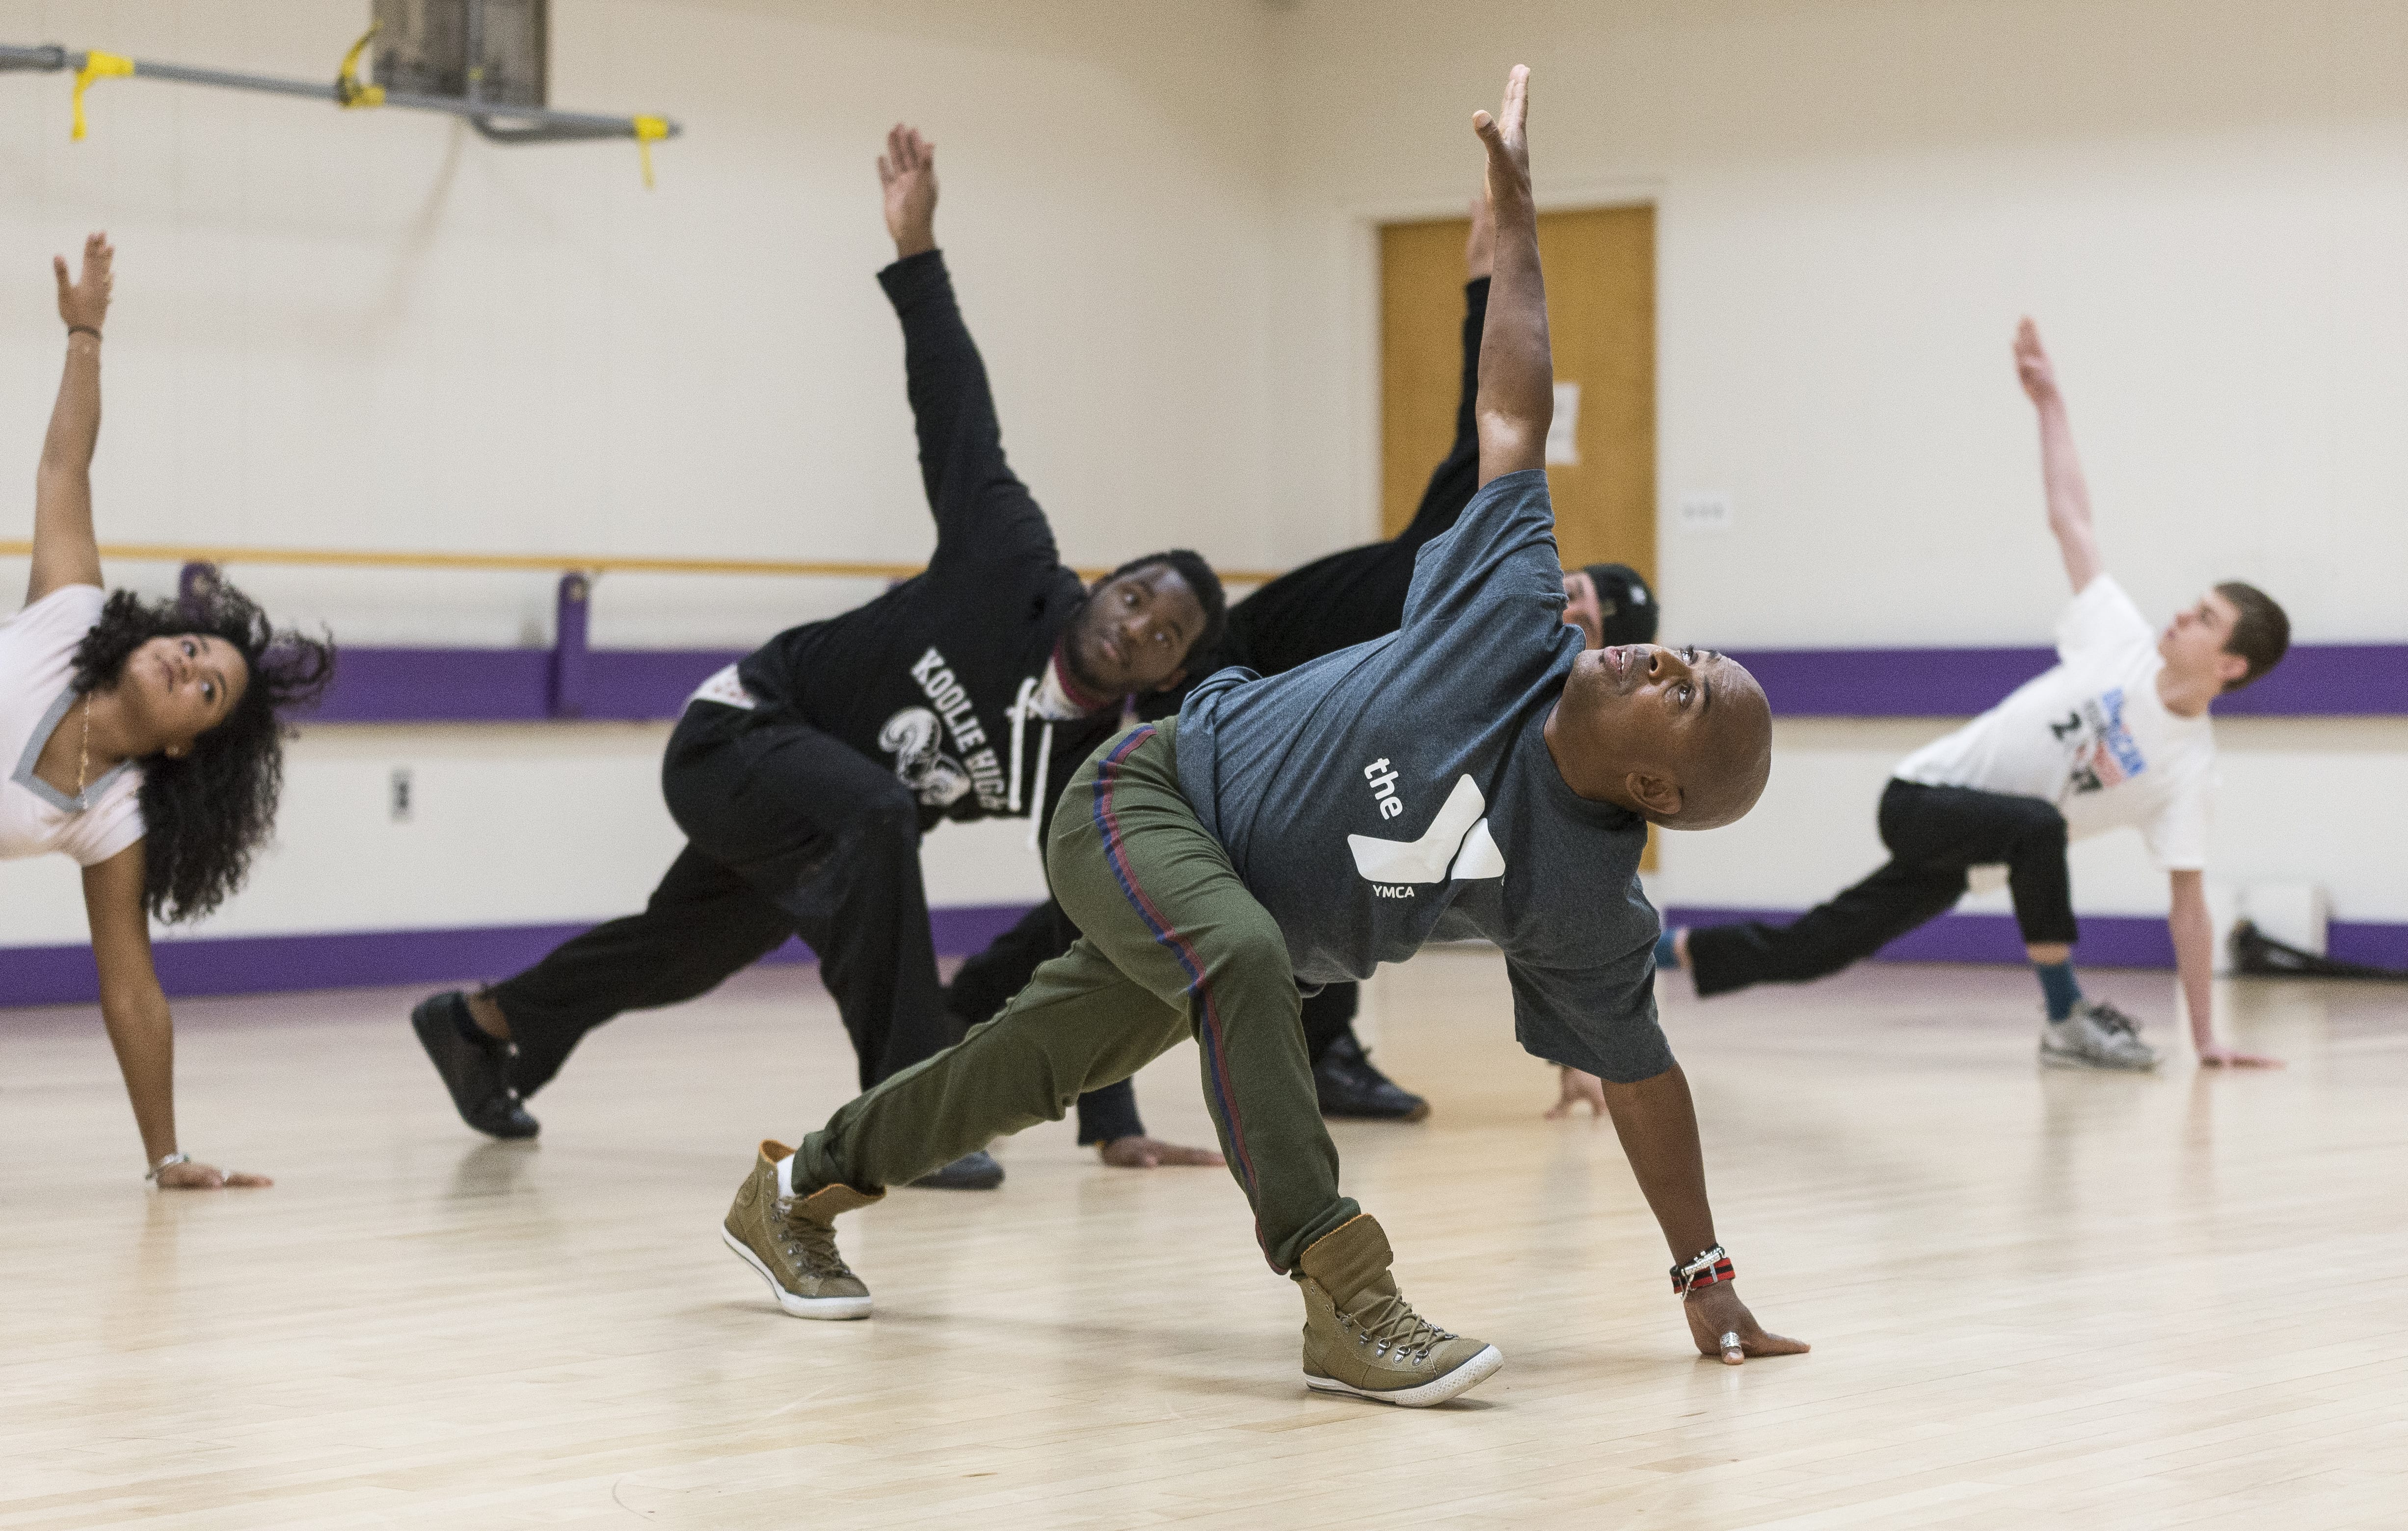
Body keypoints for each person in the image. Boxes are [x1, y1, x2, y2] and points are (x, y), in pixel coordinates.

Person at [718, 69, 1807, 1408]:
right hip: (1146, 800)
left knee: (1011, 1072)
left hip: (1228, 932)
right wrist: (1516, 210)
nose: (1657, 655)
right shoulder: (1511, 606)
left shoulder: (1588, 906)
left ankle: (789, 1194)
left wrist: (1704, 1272)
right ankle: (1345, 1295)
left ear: (1653, 786)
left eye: (1682, 690)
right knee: (1237, 954)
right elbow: (1513, 408)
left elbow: (1643, 1078)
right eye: (1681, 654)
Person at [407, 127, 1229, 1185]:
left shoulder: (1086, 768)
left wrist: (1109, 1117)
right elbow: (956, 412)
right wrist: (916, 250)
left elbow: (1094, 925)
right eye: (1133, 597)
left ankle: (479, 1021)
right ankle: (908, 1108)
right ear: (1101, 581)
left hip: (822, 820)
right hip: (739, 731)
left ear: (1163, 677)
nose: (1135, 626)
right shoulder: (1006, 558)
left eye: (1164, 636)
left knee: (685, 950)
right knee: (883, 814)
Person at [945, 189, 1662, 1128]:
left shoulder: (1512, 701)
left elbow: (1531, 875)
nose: (1574, 608)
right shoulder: (1478, 534)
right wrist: (1488, 260)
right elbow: (1482, 387)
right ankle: (1023, 1034)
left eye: (1594, 619)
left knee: (1341, 860)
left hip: (1300, 720)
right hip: (1232, 680)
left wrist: (1581, 1049)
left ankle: (976, 1008)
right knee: (1252, 873)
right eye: (1578, 586)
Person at [1658, 318, 2289, 1072]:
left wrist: (2206, 1037)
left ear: (2231, 667)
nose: (2181, 617)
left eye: (2205, 621)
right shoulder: (2116, 637)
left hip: (1974, 858)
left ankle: (1650, 950)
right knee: (2036, 826)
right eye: (2192, 605)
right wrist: (2049, 403)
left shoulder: (2188, 772)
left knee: (1816, 950)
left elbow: (2189, 907)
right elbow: (2072, 521)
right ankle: (2063, 1015)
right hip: (1924, 796)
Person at [6, 234, 336, 1188]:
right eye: (193, 646)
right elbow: (66, 473)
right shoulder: (73, 615)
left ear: (189, 740)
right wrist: (84, 329)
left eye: (205, 684)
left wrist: (168, 1154)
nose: (184, 659)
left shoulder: (111, 816)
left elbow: (132, 989)